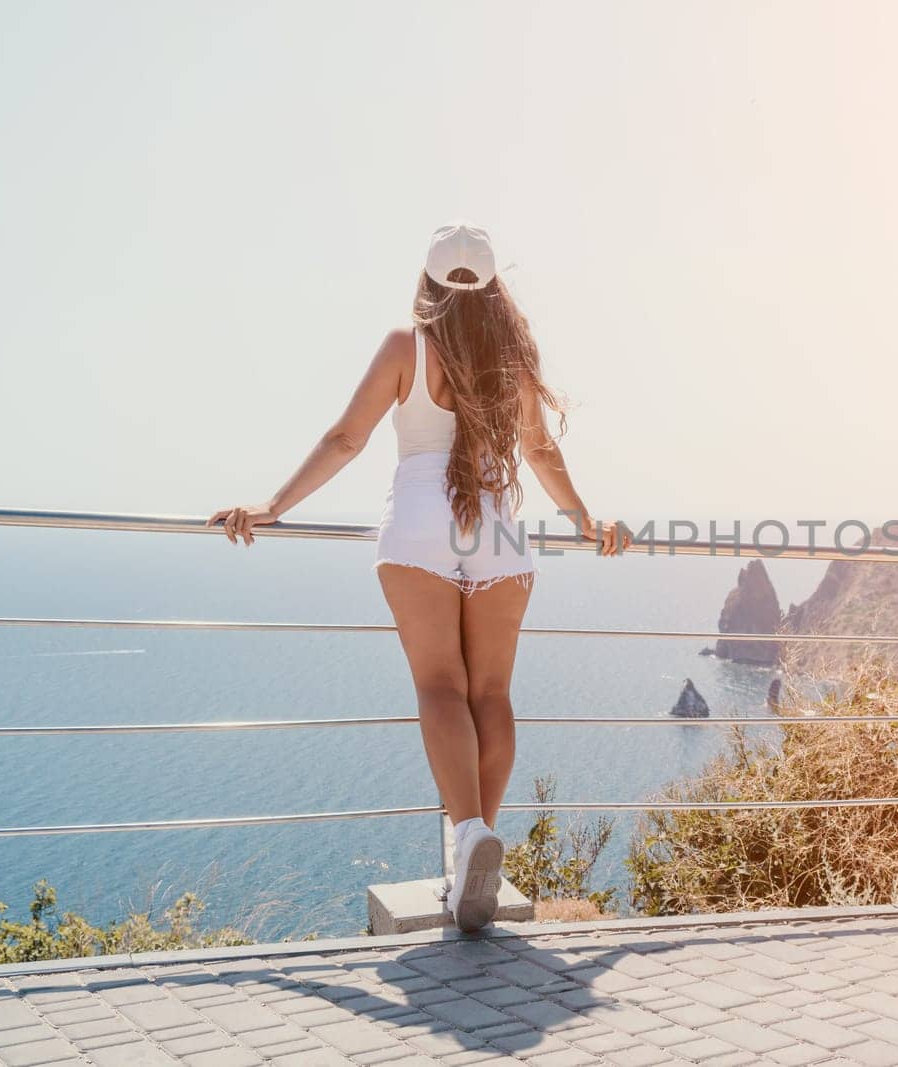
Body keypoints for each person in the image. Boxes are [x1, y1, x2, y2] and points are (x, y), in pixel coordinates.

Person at [208, 221, 631, 932]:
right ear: (493, 288)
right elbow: (540, 448)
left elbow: (347, 437)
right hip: (496, 525)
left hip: (420, 521)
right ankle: (476, 850)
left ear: (429, 283)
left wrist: (274, 505)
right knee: (491, 692)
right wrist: (585, 519)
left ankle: (468, 838)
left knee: (442, 686)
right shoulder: (512, 358)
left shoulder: (407, 345)